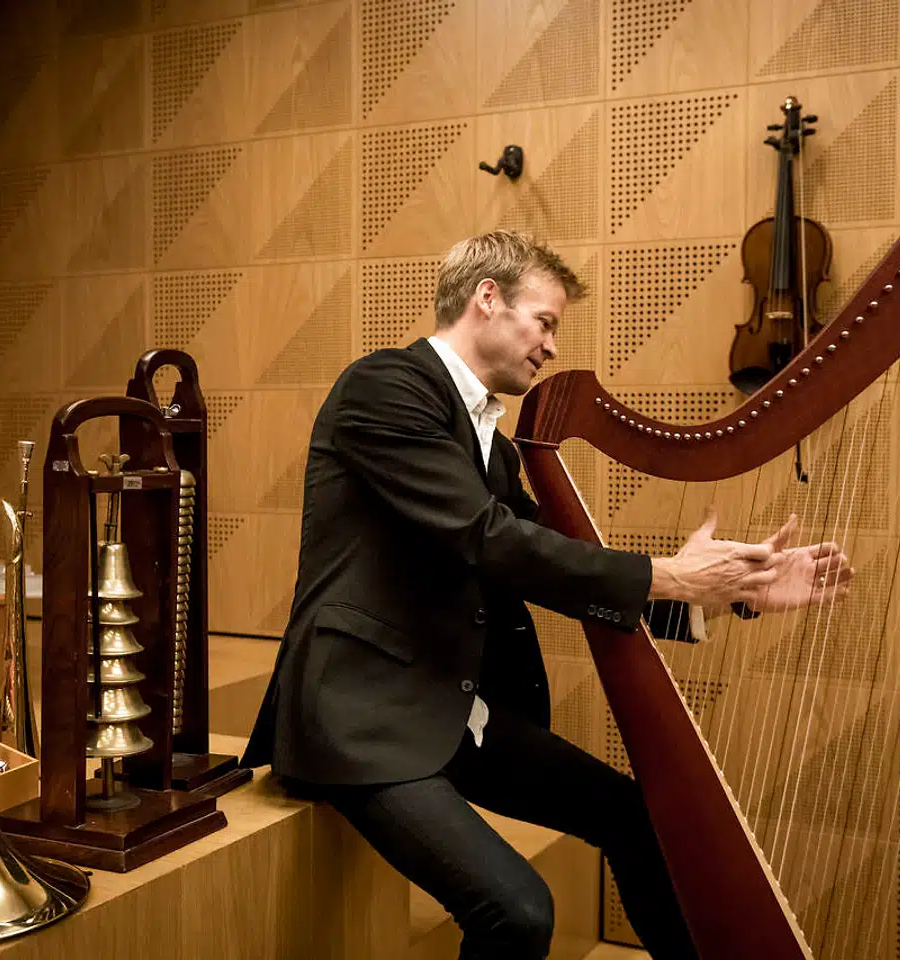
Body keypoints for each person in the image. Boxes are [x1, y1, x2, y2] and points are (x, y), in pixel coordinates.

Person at [240, 231, 852, 959]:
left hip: (446, 705)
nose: (553, 347)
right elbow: (489, 539)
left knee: (636, 816)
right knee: (520, 913)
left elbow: (547, 563)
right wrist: (669, 572)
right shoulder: (383, 389)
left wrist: (726, 593)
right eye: (547, 322)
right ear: (487, 298)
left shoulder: (489, 444)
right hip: (361, 715)